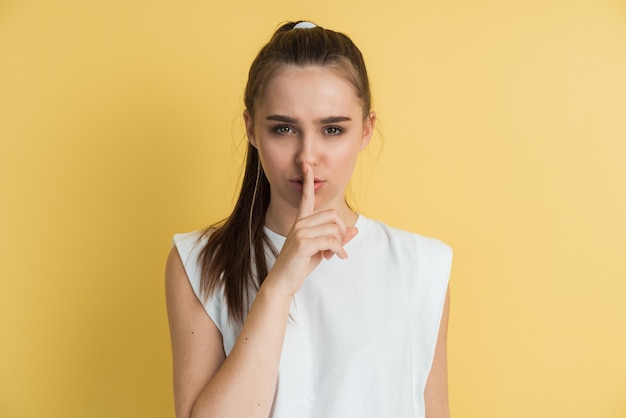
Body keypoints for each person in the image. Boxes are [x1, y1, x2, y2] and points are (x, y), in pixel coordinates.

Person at [165, 20, 453, 418]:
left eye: (332, 129)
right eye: (284, 129)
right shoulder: (199, 263)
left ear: (366, 131)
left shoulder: (421, 265)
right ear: (251, 129)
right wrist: (279, 285)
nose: (307, 157)